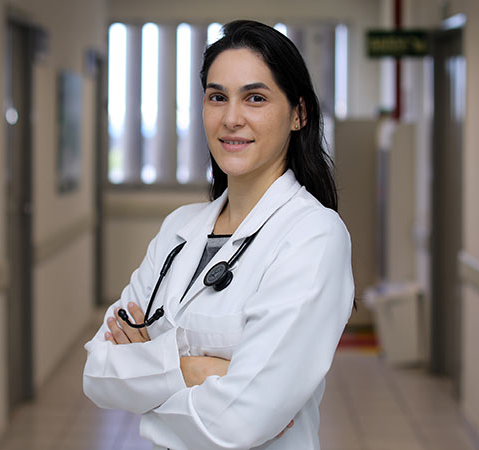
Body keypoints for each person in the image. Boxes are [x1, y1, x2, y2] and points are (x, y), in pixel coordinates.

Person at [83, 20, 355, 450]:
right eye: (217, 97)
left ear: (299, 113)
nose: (231, 118)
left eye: (256, 98)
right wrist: (197, 370)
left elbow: (240, 422)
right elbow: (98, 374)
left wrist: (146, 389)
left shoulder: (313, 236)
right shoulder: (180, 229)